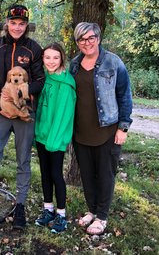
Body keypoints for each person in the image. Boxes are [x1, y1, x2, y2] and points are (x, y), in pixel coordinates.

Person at [0, 4, 45, 229]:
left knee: (23, 160)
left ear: (27, 26)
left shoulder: (34, 48)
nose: (17, 27)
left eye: (21, 24)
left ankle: (20, 207)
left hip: (26, 110)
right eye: (13, 23)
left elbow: (40, 81)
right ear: (7, 23)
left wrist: (21, 94)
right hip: (1, 112)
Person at [69, 22, 133, 235]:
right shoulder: (74, 65)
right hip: (80, 132)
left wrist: (123, 128)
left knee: (105, 174)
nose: (87, 43)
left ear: (98, 38)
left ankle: (102, 217)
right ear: (77, 42)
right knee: (87, 175)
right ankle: (92, 210)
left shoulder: (113, 62)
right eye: (82, 39)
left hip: (107, 130)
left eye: (90, 38)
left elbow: (124, 95)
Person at [34, 43, 76, 233]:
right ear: (42, 59)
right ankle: (48, 210)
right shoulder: (45, 78)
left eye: (55, 57)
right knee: (44, 173)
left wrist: (53, 139)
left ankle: (61, 215)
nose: (51, 61)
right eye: (47, 57)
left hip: (55, 139)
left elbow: (62, 115)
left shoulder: (65, 83)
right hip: (42, 136)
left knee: (56, 174)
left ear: (62, 59)